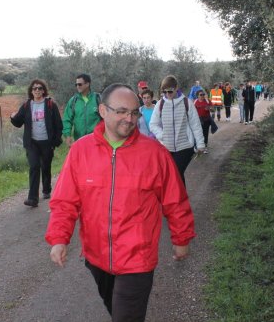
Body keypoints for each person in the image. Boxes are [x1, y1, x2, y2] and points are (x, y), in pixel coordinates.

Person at [46, 84, 195, 322]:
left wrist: (181, 238)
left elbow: (175, 200)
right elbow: (65, 201)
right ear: (103, 111)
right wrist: (59, 238)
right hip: (97, 258)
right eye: (122, 111)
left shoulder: (154, 153)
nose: (130, 119)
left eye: (135, 112)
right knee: (116, 310)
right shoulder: (81, 151)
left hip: (138, 258)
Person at [10, 79, 63, 206]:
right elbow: (18, 123)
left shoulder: (50, 105)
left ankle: (46, 189)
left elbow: (58, 124)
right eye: (34, 88)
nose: (37, 90)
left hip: (47, 142)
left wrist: (55, 142)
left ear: (43, 90)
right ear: (31, 91)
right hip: (32, 142)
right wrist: (12, 117)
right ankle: (33, 198)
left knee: (45, 167)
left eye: (40, 88)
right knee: (34, 167)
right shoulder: (27, 105)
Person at [149, 75, 205, 187]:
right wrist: (162, 135)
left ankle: (180, 200)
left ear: (176, 88)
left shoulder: (186, 103)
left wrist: (200, 144)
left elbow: (195, 125)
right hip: (167, 147)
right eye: (164, 92)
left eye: (170, 91)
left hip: (185, 147)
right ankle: (180, 200)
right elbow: (153, 124)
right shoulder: (160, 104)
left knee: (176, 173)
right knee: (176, 175)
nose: (167, 95)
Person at [62, 73, 101, 147]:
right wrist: (67, 135)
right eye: (76, 85)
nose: (77, 86)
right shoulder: (73, 101)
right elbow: (67, 119)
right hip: (79, 141)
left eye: (80, 84)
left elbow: (106, 119)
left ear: (87, 84)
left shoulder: (98, 99)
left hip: (96, 141)